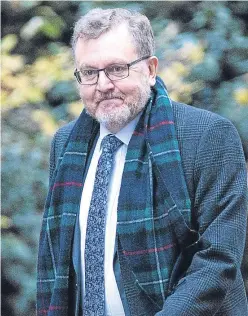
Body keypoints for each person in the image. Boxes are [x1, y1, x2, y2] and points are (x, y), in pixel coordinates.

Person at [37, 8, 248, 316]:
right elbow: (58, 259)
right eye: (89, 72)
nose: (103, 84)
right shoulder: (66, 145)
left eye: (117, 68)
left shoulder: (207, 136)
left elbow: (218, 259)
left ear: (150, 69)